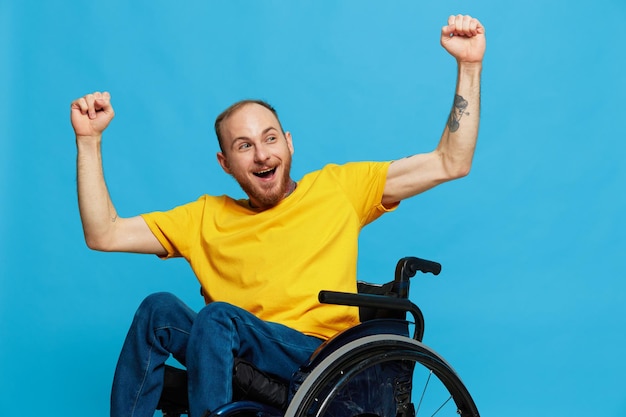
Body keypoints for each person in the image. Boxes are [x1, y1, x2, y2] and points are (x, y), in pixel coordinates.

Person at [70, 14, 485, 417]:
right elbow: (103, 234)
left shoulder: (337, 188)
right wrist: (88, 141)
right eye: (244, 145)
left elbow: (451, 162)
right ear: (225, 163)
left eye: (270, 139)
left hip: (316, 355)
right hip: (230, 347)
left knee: (218, 317)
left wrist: (468, 64)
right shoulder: (203, 218)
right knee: (157, 309)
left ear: (288, 144)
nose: (262, 153)